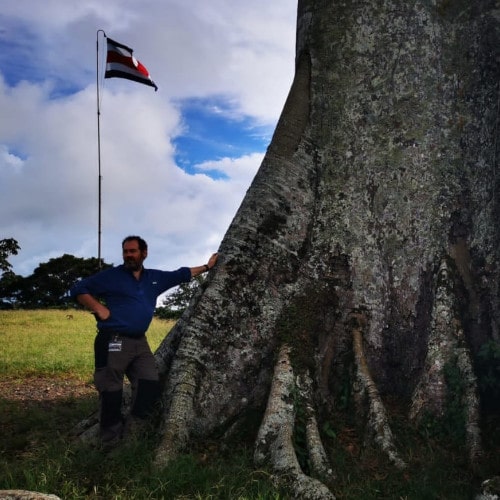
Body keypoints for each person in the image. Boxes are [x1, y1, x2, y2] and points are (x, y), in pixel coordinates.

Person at [70, 235, 218, 444]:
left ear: (144, 253)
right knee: (111, 392)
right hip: (112, 340)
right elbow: (78, 289)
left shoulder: (154, 278)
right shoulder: (111, 276)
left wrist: (207, 266)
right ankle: (109, 442)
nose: (128, 255)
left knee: (149, 385)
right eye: (125, 252)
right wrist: (99, 308)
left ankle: (132, 438)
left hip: (139, 343)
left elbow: (180, 275)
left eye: (133, 251)